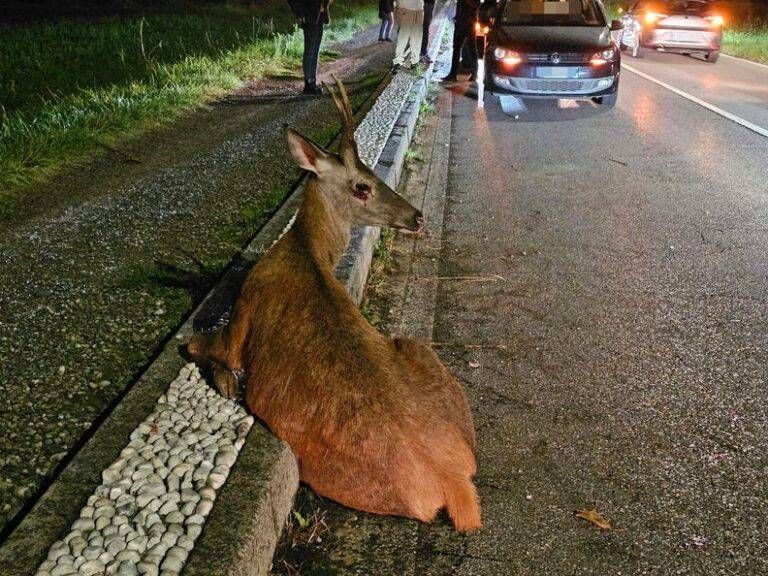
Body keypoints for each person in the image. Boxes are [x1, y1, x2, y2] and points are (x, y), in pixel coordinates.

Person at [287, 0, 331, 94]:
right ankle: (308, 84)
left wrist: (326, 7)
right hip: (309, 16)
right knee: (310, 51)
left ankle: (312, 82)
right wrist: (300, 14)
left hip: (320, 15)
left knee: (315, 50)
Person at [443, 0, 480, 81]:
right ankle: (453, 74)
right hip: (460, 21)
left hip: (469, 23)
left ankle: (474, 73)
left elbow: (476, 5)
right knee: (456, 48)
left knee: (472, 48)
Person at [393, 0, 424, 69]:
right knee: (403, 37)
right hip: (406, 9)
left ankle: (415, 61)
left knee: (417, 37)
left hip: (419, 10)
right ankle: (397, 61)